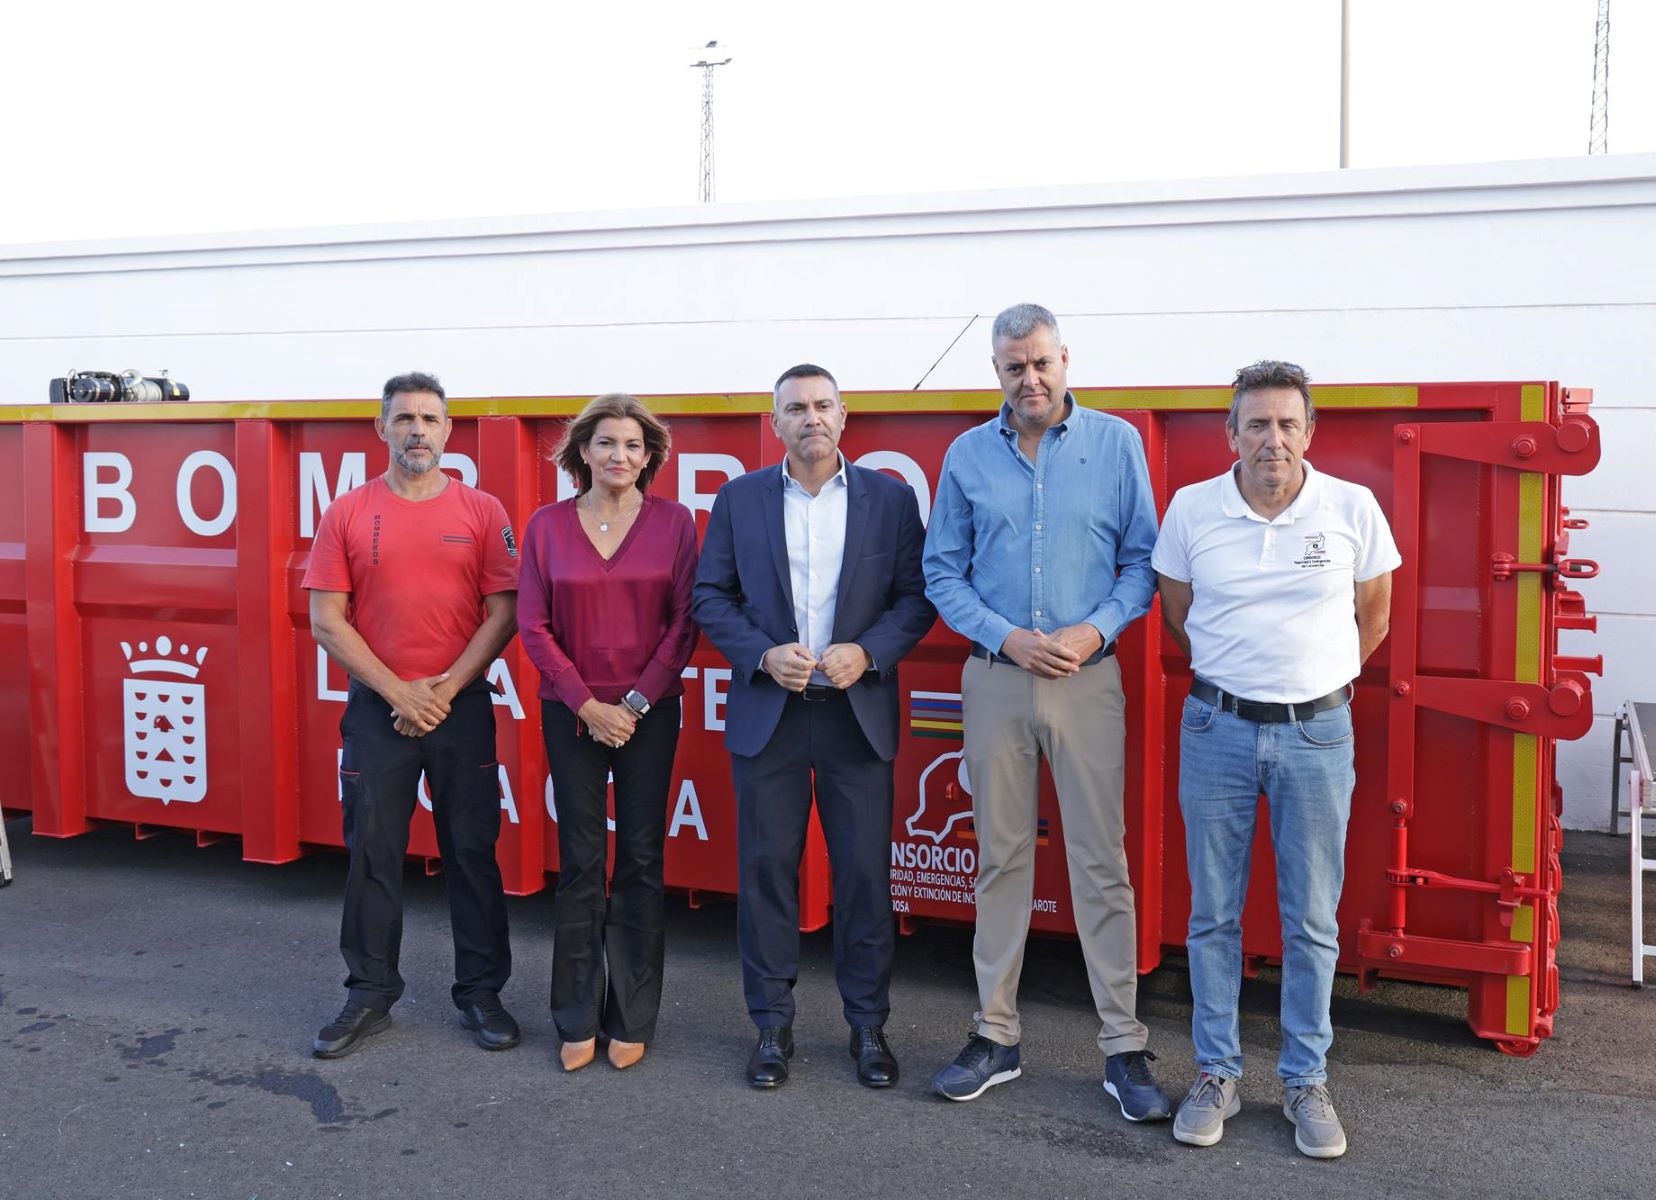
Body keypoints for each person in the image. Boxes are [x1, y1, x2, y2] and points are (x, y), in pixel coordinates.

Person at [922, 303, 1169, 1119]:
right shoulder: (965, 455)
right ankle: (996, 1035)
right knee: (999, 859)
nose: (1029, 380)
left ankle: (1124, 1047)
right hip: (996, 677)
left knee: (1102, 861)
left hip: (1088, 680)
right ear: (996, 371)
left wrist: (1092, 630)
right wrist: (1009, 638)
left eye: (1040, 363)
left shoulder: (1117, 444)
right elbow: (942, 574)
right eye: (1012, 367)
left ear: (1066, 358)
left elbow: (1142, 561)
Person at [1153, 360, 1398, 1159]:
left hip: (1318, 735)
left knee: (1311, 919)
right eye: (1256, 424)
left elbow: (1374, 617)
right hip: (1216, 728)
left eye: (1287, 424)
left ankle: (1304, 1079)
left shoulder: (1352, 509)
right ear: (1231, 434)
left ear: (1309, 433)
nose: (1273, 439)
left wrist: (1309, 686)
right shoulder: (1192, 509)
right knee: (1213, 915)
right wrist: (1244, 678)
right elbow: (1178, 619)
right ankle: (1216, 1073)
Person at [692, 363, 934, 1090]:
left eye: (823, 405)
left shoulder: (889, 501)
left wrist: (870, 651)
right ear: (776, 423)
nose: (811, 418)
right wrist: (762, 654)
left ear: (844, 415)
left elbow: (917, 599)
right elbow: (710, 596)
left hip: (854, 716)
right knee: (767, 874)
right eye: (796, 408)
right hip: (772, 713)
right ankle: (770, 1029)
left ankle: (868, 1029)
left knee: (864, 879)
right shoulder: (738, 500)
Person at [305, 371, 521, 1059]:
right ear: (381, 428)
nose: (417, 431)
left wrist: (444, 690)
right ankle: (368, 995)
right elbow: (326, 621)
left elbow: (506, 612)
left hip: (461, 708)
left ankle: (481, 993)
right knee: (373, 851)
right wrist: (400, 694)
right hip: (379, 711)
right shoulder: (346, 512)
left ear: (448, 430)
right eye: (404, 419)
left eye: (429, 419)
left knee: (472, 851)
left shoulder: (482, 511)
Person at [516, 394, 698, 1073]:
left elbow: (685, 622)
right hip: (572, 714)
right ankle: (574, 1014)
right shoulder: (545, 526)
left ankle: (633, 1014)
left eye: (632, 445)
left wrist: (635, 701)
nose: (619, 455)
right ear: (582, 452)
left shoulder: (676, 524)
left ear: (649, 457)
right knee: (582, 862)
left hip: (649, 714)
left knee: (643, 863)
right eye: (606, 443)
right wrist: (587, 705)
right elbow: (533, 624)